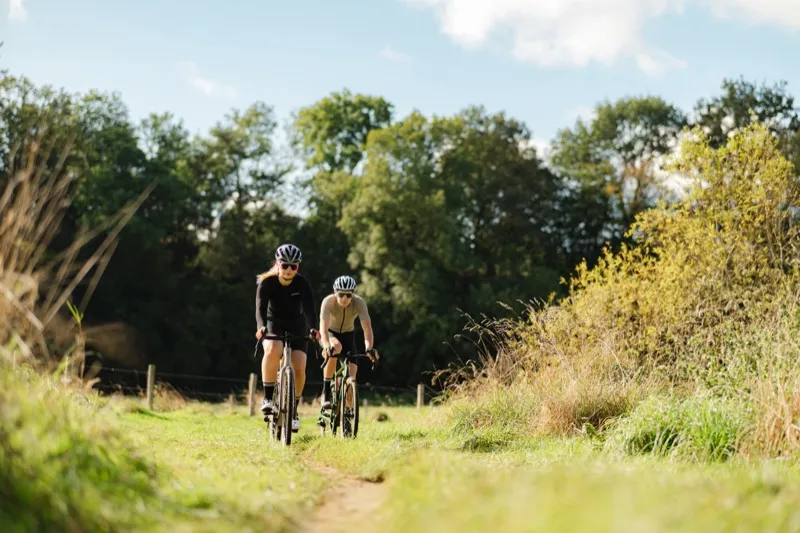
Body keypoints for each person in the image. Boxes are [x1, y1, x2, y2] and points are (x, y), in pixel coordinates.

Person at [255, 243, 320, 432]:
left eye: (294, 266)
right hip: (273, 323)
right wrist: (260, 327)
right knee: (273, 349)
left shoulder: (302, 284)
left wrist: (313, 328)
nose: (289, 270)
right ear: (278, 263)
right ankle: (268, 398)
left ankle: (294, 411)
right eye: (285, 266)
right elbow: (260, 308)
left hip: (297, 325)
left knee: (299, 366)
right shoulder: (266, 283)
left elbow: (309, 310)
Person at [318, 275, 378, 410]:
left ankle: (348, 413)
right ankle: (326, 391)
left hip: (348, 336)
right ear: (335, 292)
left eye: (348, 295)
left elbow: (367, 327)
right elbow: (323, 326)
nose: (344, 299)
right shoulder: (328, 302)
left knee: (352, 376)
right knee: (335, 347)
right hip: (330, 334)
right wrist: (326, 345)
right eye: (341, 294)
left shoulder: (359, 302)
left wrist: (369, 348)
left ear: (353, 294)